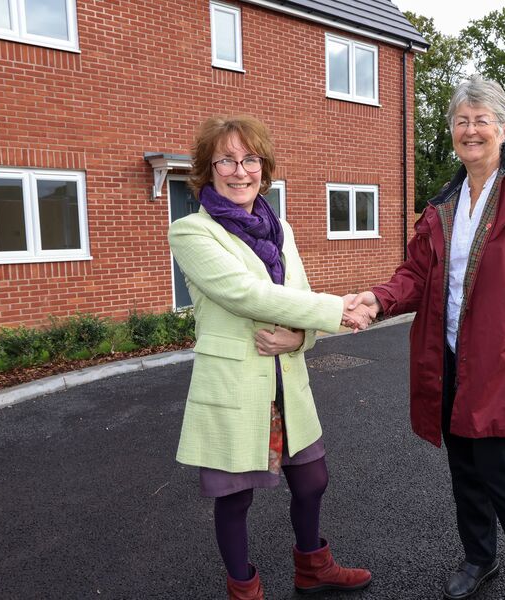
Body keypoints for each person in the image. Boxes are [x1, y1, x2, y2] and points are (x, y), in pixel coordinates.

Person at [346, 74, 505, 600]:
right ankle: (480, 558)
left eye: (482, 120)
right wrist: (378, 299)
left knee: (504, 471)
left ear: (503, 129)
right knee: (464, 468)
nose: (471, 130)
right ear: (452, 131)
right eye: (462, 121)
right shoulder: (444, 203)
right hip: (449, 355)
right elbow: (416, 274)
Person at [168, 115, 378, 600]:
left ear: (263, 166)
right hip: (235, 384)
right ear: (207, 168)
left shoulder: (279, 227)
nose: (240, 171)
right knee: (235, 496)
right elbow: (246, 295)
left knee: (312, 480)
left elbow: (295, 298)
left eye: (250, 159)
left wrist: (300, 339)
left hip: (287, 379)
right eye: (226, 160)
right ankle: (244, 589)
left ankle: (313, 568)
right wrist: (338, 311)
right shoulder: (192, 232)